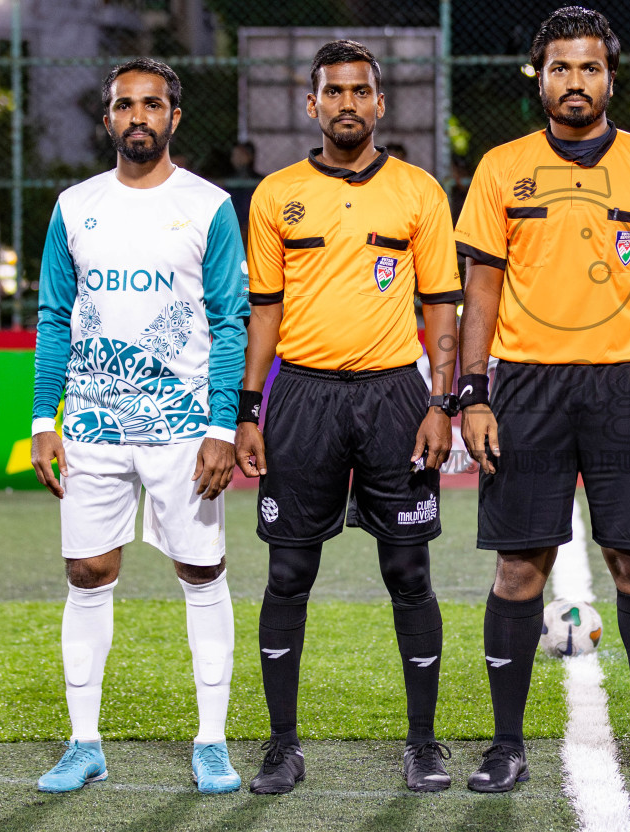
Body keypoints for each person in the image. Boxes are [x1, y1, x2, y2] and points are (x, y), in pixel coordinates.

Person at [453, 6, 630, 794]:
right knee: (519, 569)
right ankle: (504, 745)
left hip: (627, 384)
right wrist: (475, 394)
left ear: (610, 77)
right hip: (525, 386)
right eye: (560, 67)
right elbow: (479, 293)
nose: (575, 82)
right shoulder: (500, 168)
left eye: (590, 67)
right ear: (540, 76)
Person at [234, 40, 462, 794]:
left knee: (408, 569)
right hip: (301, 395)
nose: (347, 104)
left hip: (396, 393)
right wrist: (249, 409)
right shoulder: (276, 195)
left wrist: (441, 401)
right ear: (312, 104)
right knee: (290, 570)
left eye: (360, 92)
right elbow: (262, 313)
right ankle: (282, 745)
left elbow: (441, 309)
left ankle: (424, 744)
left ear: (380, 104)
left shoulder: (420, 192)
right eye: (333, 92)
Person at [29, 58, 249, 795]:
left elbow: (230, 322)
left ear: (174, 118)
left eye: (152, 104)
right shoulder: (74, 207)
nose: (138, 117)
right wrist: (42, 418)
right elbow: (53, 316)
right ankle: (83, 742)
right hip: (91, 427)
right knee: (88, 574)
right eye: (125, 105)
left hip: (183, 432)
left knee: (201, 573)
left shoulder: (211, 205)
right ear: (108, 120)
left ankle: (212, 742)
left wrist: (223, 427)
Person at [226, 140, 262, 236]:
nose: (235, 159)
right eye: (234, 155)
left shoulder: (261, 182)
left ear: (249, 157)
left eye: (240, 155)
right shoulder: (228, 184)